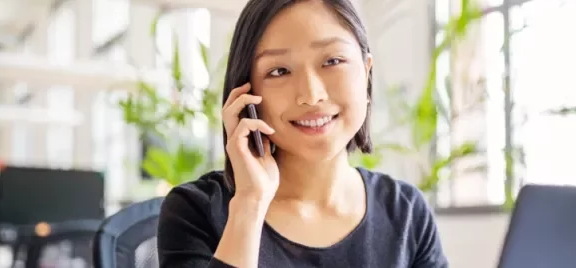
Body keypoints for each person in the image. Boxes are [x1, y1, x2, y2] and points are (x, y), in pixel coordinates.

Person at [157, 0, 449, 267]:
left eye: (332, 61)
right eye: (279, 71)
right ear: (246, 92)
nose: (311, 95)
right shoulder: (195, 212)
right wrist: (250, 205)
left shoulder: (406, 213)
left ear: (366, 73)